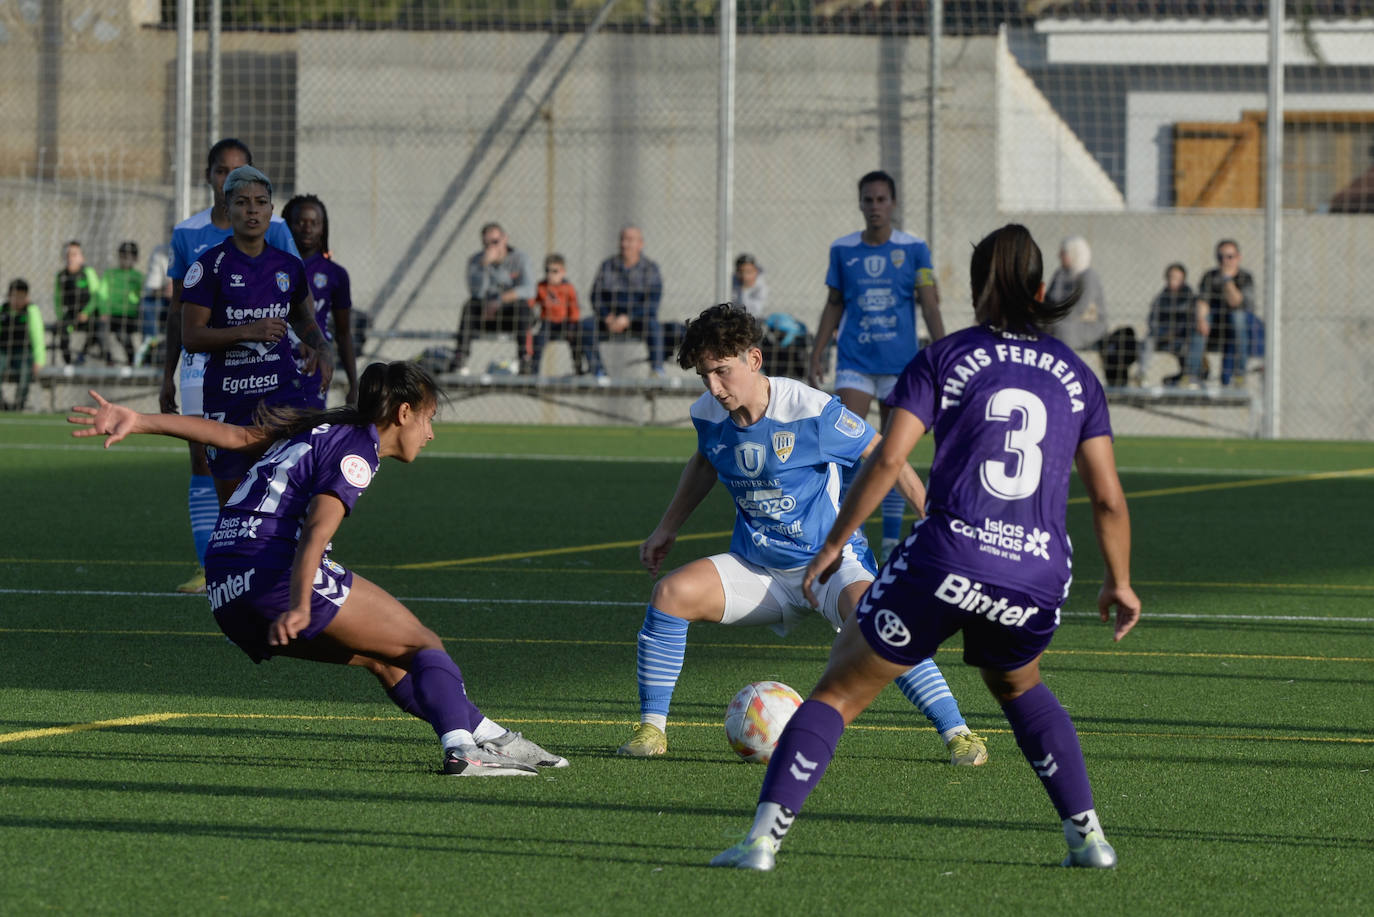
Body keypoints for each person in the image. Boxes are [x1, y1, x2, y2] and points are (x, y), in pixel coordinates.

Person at [710, 224, 1140, 872]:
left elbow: (889, 458)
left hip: (948, 556)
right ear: (1041, 288)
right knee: (1021, 686)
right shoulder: (1077, 375)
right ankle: (1090, 838)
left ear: (973, 289)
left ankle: (761, 843)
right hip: (1035, 571)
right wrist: (1120, 580)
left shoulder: (945, 357)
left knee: (838, 691)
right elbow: (1107, 496)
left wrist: (833, 546)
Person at [67, 361, 568, 776]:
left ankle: (487, 735)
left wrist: (138, 419)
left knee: (385, 658)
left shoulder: (319, 429)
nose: (431, 433)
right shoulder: (357, 450)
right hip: (271, 570)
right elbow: (315, 530)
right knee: (422, 643)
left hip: (226, 585)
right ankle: (465, 750)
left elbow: (234, 435)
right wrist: (302, 602)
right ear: (404, 412)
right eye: (429, 419)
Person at [617, 303, 987, 768]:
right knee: (670, 594)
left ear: (754, 359)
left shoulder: (811, 410)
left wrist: (930, 518)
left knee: (882, 617)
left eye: (723, 372)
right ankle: (652, 729)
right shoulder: (709, 413)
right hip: (759, 568)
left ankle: (958, 733)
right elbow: (705, 461)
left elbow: (884, 455)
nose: (714, 386)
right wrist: (666, 528)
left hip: (831, 564)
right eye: (705, 375)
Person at [160, 138, 302, 595]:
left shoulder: (275, 230)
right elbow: (177, 312)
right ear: (211, 179)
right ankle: (210, 564)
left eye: (240, 171)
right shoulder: (187, 233)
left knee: (270, 457)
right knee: (204, 459)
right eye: (223, 171)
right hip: (204, 367)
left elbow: (293, 298)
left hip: (263, 367)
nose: (230, 178)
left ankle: (266, 558)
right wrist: (167, 372)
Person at [808, 170, 946, 563]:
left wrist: (944, 353)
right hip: (855, 362)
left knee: (890, 452)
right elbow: (834, 303)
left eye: (882, 200)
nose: (875, 207)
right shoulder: (843, 250)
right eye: (868, 200)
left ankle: (888, 541)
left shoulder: (914, 249)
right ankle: (848, 533)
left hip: (900, 366)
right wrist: (818, 351)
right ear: (860, 203)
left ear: (894, 203)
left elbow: (930, 304)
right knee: (850, 446)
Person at [180, 164, 332, 506]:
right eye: (243, 202)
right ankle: (230, 560)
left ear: (271, 210)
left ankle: (301, 560)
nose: (252, 210)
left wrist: (321, 347)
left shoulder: (288, 266)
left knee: (295, 497)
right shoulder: (208, 267)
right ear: (227, 207)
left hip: (281, 397)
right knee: (234, 507)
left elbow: (302, 316)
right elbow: (191, 337)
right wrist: (249, 331)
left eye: (261, 202)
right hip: (229, 400)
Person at [284, 194, 360, 407]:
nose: (307, 228)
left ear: (323, 227)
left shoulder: (335, 274)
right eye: (300, 222)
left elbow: (343, 333)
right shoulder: (274, 266)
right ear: (287, 226)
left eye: (314, 223)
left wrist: (354, 385)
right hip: (277, 363)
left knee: (309, 430)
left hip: (314, 364)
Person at [580, 225, 671, 380]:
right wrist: (607, 317)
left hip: (638, 319)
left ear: (640, 244)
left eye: (629, 240)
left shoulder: (650, 269)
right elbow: (595, 296)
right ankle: (598, 372)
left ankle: (657, 369)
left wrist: (628, 318)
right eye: (622, 239)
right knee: (586, 325)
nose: (624, 244)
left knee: (654, 326)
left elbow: (652, 302)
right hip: (610, 319)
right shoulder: (607, 266)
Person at [454, 222, 536, 376]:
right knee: (470, 306)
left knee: (523, 306)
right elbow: (476, 292)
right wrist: (484, 266)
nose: (491, 247)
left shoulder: (520, 258)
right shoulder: (476, 261)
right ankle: (460, 358)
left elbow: (529, 289)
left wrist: (499, 300)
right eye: (486, 243)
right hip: (487, 315)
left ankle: (525, 360)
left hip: (511, 316)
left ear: (505, 239)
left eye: (495, 242)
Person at [1191, 239, 1259, 388]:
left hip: (1240, 326)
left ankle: (1239, 374)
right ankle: (1192, 375)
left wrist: (1227, 279)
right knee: (1200, 321)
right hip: (1217, 324)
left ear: (1238, 258)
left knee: (1237, 317)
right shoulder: (1210, 276)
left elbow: (1237, 303)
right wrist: (1201, 320)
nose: (1225, 261)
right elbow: (1203, 301)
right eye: (1220, 257)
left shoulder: (1245, 277)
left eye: (1230, 257)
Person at [1044, 236, 1108, 353]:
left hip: (1086, 325)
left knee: (1062, 330)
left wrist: (1055, 319)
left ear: (1074, 254)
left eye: (1063, 253)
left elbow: (1080, 308)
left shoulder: (1089, 276)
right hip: (1059, 319)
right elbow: (1048, 300)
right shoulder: (1060, 274)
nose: (1059, 255)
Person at [529, 253, 589, 378]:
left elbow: (573, 308)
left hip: (564, 322)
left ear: (563, 272)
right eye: (547, 271)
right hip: (547, 322)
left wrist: (573, 324)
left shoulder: (568, 288)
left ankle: (578, 369)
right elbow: (532, 302)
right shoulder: (541, 286)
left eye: (555, 271)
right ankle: (533, 372)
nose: (550, 275)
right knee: (538, 340)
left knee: (576, 339)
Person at [1139, 262, 1193, 386]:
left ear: (1183, 279)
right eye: (1170, 277)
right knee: (1147, 341)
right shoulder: (1161, 298)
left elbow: (1189, 322)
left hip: (1180, 338)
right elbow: (1152, 320)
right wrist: (1161, 333)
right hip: (1162, 335)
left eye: (1176, 278)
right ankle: (1142, 375)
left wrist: (1174, 333)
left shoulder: (1189, 298)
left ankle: (1186, 376)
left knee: (1187, 347)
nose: (1172, 281)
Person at [53, 240, 102, 367]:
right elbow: (57, 300)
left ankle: (83, 355)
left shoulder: (88, 272)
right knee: (62, 330)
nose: (71, 258)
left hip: (89, 314)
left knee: (97, 328)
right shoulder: (61, 276)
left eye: (74, 254)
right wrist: (60, 317)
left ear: (82, 258)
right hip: (71, 315)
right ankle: (68, 362)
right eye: (68, 254)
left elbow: (97, 296)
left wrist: (86, 312)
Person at [1, 279, 47, 411]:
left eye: (21, 297)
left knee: (24, 373)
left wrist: (39, 361)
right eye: (14, 297)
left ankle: (18, 405)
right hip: (3, 351)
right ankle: (2, 405)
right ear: (9, 296)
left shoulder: (31, 311)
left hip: (23, 353)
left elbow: (38, 337)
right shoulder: (3, 310)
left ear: (27, 297)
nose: (17, 301)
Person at [98, 241, 144, 366]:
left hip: (130, 315)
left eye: (129, 256)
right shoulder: (110, 274)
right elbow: (102, 294)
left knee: (122, 334)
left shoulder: (138, 277)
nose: (125, 260)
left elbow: (143, 294)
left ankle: (132, 359)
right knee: (100, 331)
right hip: (111, 314)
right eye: (123, 256)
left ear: (135, 258)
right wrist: (104, 311)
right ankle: (108, 359)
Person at [140, 236, 173, 345]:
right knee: (147, 304)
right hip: (167, 299)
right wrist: (166, 290)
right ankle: (152, 346)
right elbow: (152, 288)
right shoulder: (160, 252)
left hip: (191, 298)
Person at [731, 253, 769, 318]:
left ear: (755, 271)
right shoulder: (731, 282)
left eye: (748, 272)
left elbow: (755, 311)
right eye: (741, 272)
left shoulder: (761, 287)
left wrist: (744, 290)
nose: (744, 276)